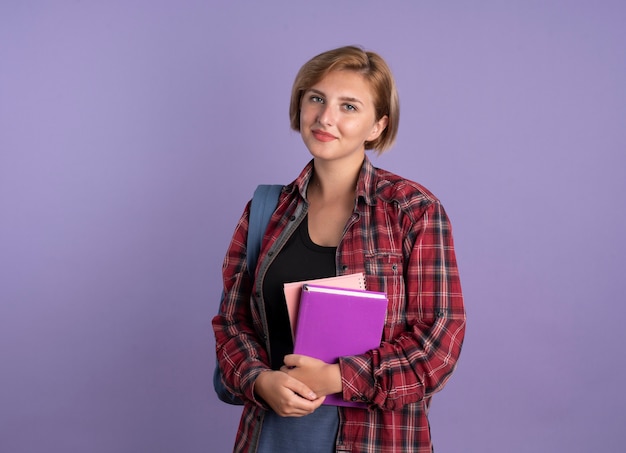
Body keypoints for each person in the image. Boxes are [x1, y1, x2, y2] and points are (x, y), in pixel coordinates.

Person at [212, 45, 466, 453]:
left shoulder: (413, 210)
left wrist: (338, 378)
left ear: (377, 126)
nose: (325, 117)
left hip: (377, 440)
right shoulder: (265, 209)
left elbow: (439, 342)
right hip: (271, 436)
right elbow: (232, 323)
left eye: (348, 106)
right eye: (316, 98)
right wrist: (260, 381)